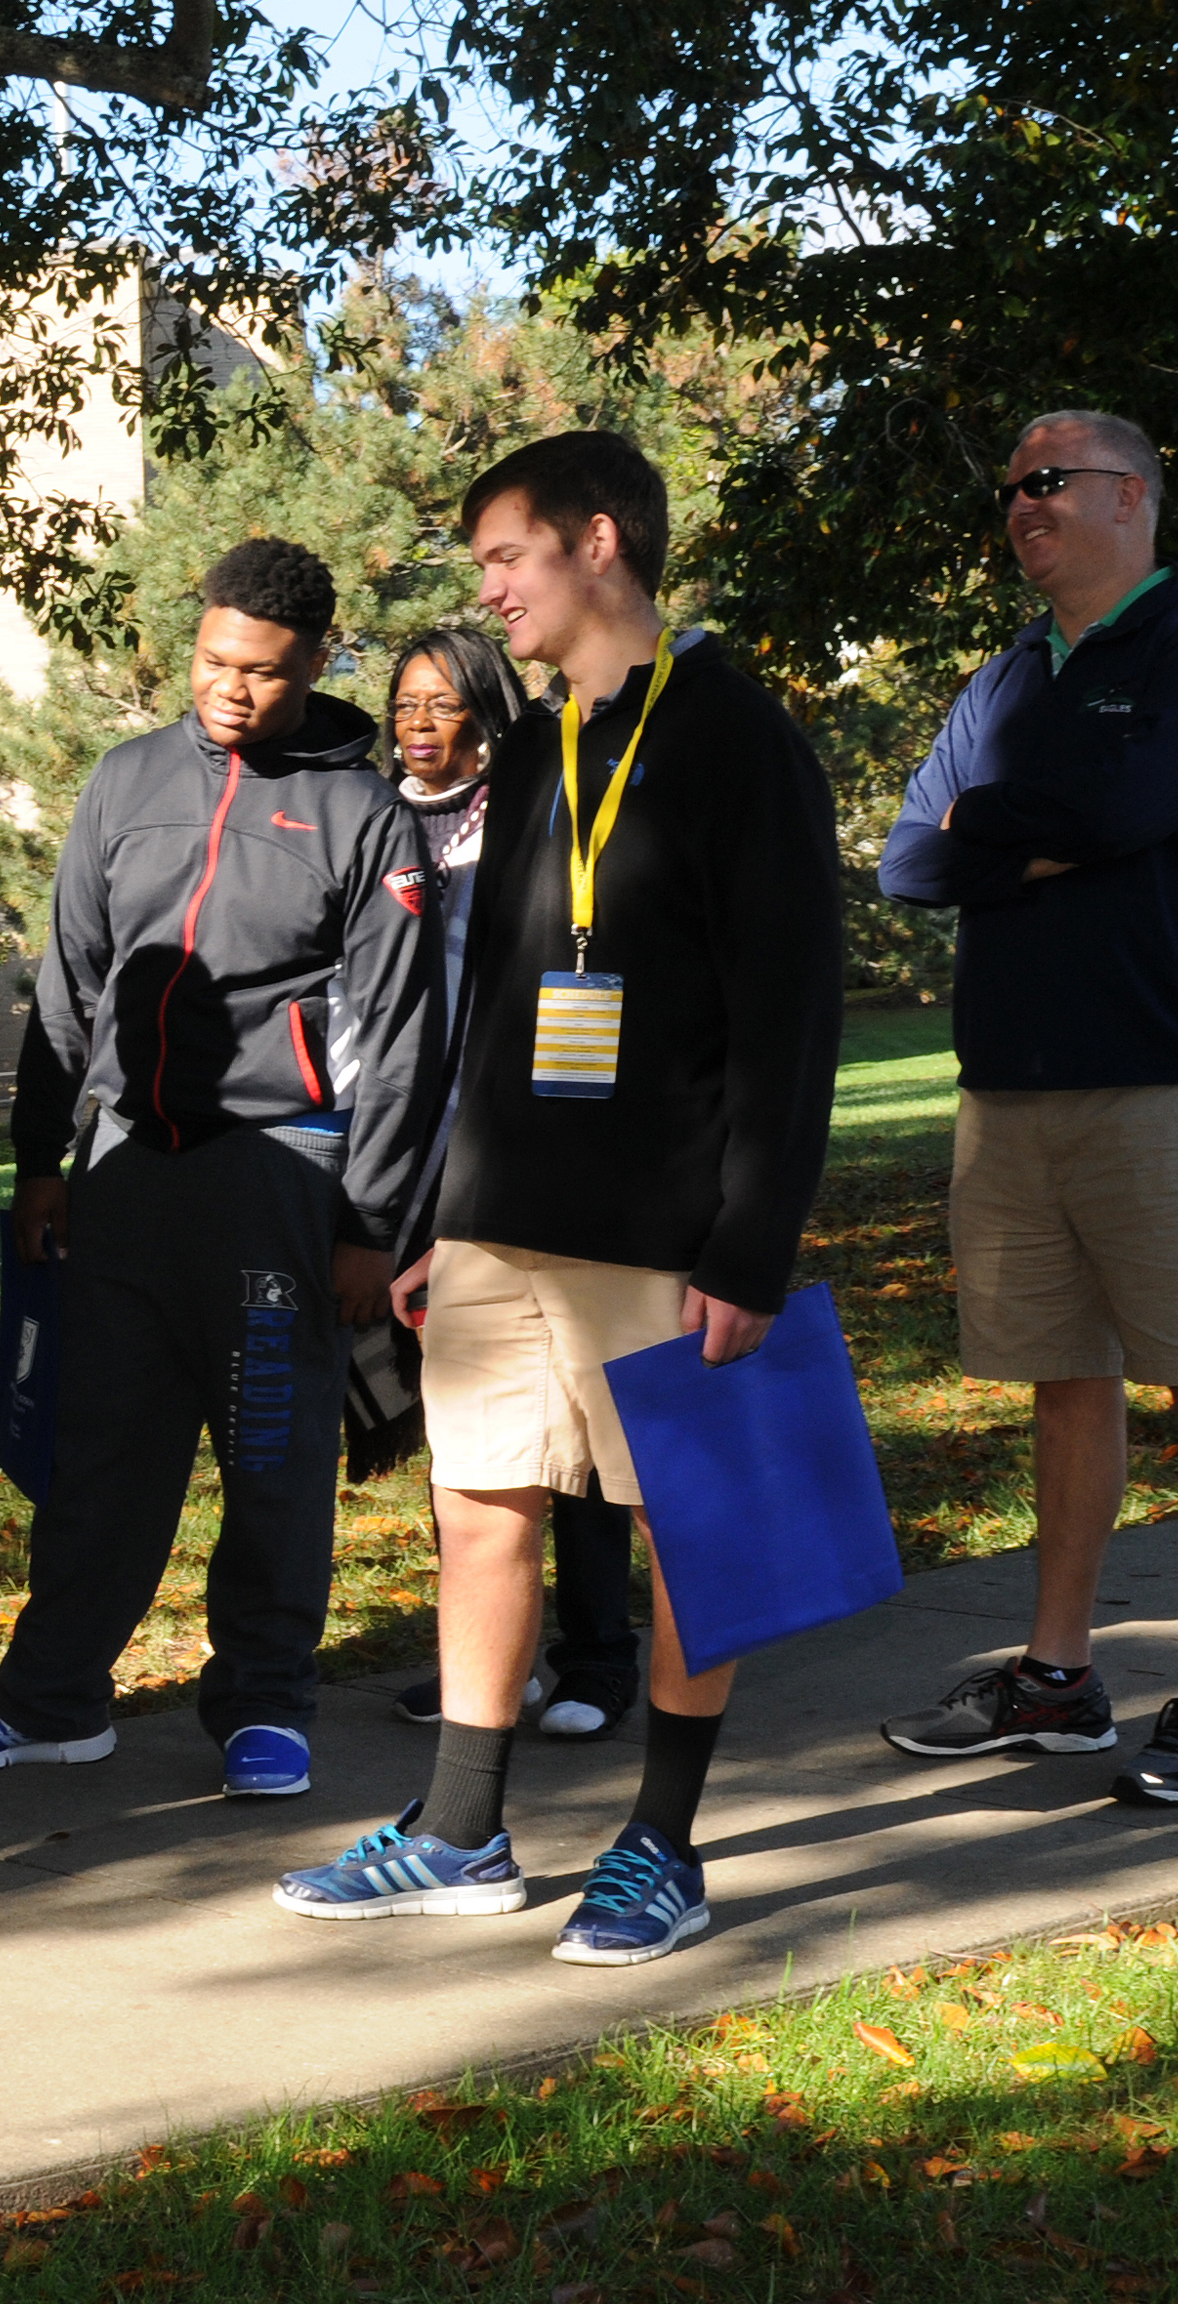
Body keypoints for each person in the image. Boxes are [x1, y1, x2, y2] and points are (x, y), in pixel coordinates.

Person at [275, 430, 841, 1967]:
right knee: (478, 1511)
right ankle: (462, 1831)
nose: (491, 591)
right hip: (502, 1218)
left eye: (506, 558)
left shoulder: (738, 738)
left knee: (692, 1534)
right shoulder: (533, 750)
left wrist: (752, 1244)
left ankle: (662, 1845)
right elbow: (501, 1000)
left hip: (664, 1223)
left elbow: (792, 1020)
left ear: (600, 542)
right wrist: (443, 1212)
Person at [0, 539, 433, 1800]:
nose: (229, 690)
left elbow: (405, 1040)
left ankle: (264, 1703)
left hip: (282, 1172)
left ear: (316, 667)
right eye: (212, 660)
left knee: (272, 1452)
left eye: (260, 672)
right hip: (129, 1166)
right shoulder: (127, 780)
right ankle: (52, 1701)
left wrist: (372, 1226)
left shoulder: (363, 815)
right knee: (101, 1453)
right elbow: (67, 987)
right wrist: (44, 1163)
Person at [871, 411, 1178, 1802]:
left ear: (1133, 500)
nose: (1023, 504)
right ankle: (1058, 1679)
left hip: (1168, 1080)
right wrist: (1017, 835)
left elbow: (1118, 814)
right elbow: (908, 865)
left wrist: (1001, 827)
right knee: (1064, 1382)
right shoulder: (1001, 680)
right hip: (1015, 1090)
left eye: (1051, 481)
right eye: (1012, 489)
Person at [377, 628, 644, 1745]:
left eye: (443, 704)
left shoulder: (540, 809)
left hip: (526, 1144)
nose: (421, 724)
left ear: (486, 712)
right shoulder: (376, 822)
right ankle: (496, 1661)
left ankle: (598, 1651)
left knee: (576, 1418)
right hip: (410, 1152)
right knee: (474, 1436)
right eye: (405, 705)